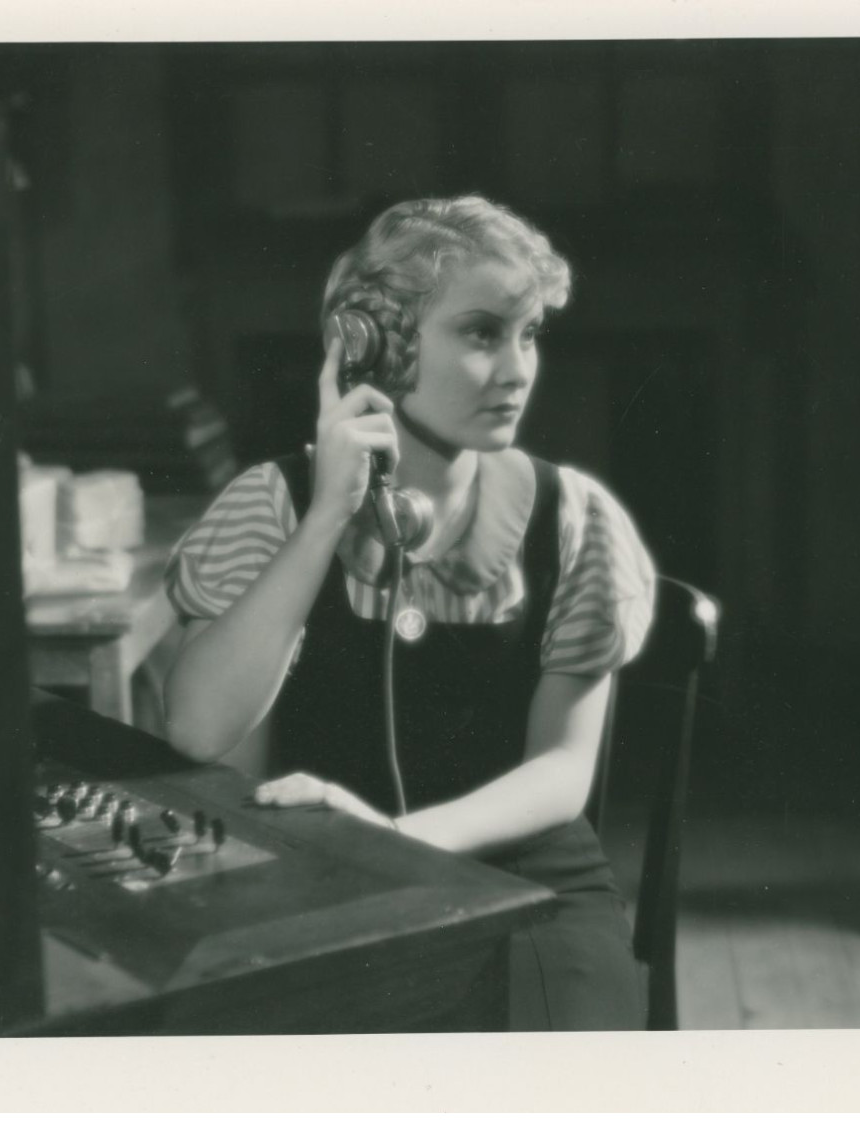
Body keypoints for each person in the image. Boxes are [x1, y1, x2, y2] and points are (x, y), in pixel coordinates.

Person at [161, 195, 656, 1030]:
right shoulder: (273, 506)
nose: (517, 369)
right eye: (481, 332)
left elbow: (562, 775)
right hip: (323, 884)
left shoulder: (572, 515)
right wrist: (326, 519)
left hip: (529, 884)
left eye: (528, 333)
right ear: (374, 349)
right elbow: (200, 733)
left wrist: (394, 834)